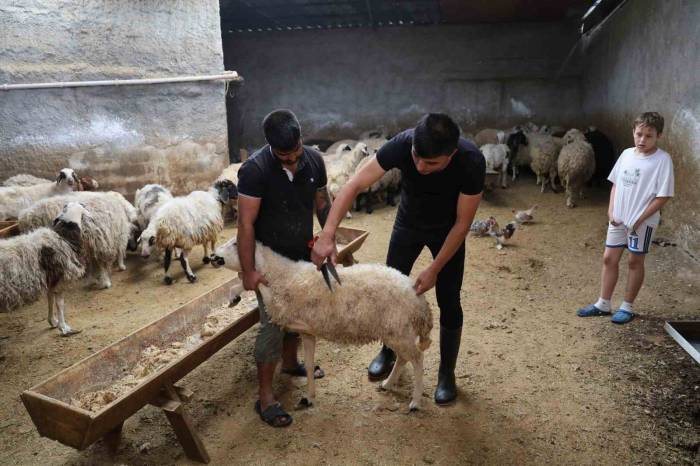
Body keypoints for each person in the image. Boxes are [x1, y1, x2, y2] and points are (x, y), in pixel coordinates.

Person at [312, 113, 484, 404]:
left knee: (449, 299)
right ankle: (388, 351)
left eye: (431, 163)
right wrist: (328, 234)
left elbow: (462, 225)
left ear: (451, 154)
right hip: (409, 223)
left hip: (447, 229)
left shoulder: (471, 161)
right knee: (388, 291)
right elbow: (353, 185)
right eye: (417, 157)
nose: (419, 167)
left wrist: (434, 268)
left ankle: (446, 372)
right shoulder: (403, 144)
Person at [236, 109, 331, 427]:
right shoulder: (255, 170)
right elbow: (245, 224)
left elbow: (322, 203)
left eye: (295, 153)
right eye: (283, 156)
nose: (291, 161)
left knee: (297, 313)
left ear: (301, 139)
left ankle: (290, 364)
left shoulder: (315, 160)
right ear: (270, 148)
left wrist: (328, 239)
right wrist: (249, 271)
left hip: (301, 256)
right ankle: (265, 397)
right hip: (270, 262)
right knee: (272, 324)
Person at [577, 112, 674, 324]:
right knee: (609, 258)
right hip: (618, 219)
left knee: (634, 260)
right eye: (639, 134)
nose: (642, 139)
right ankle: (603, 303)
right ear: (633, 132)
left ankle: (627, 306)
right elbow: (616, 184)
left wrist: (640, 218)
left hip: (642, 222)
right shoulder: (626, 154)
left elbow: (663, 195)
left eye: (649, 136)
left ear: (659, 135)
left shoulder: (662, 160)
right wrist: (611, 211)